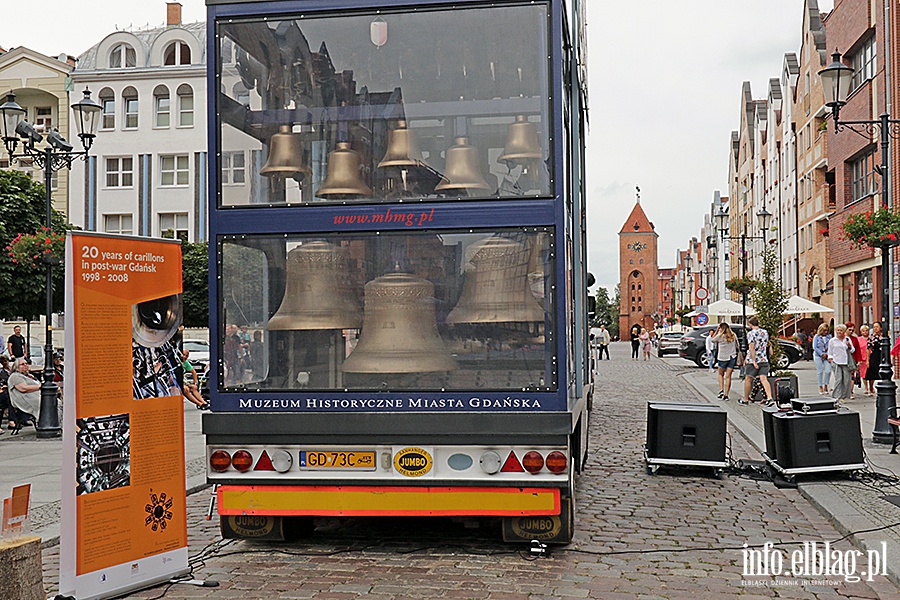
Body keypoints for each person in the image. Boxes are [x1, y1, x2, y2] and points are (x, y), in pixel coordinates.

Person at [741, 316, 773, 405]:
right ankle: (769, 397)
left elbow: (751, 347)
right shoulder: (765, 332)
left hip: (753, 360)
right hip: (763, 358)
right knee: (764, 378)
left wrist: (753, 360)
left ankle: (746, 399)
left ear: (750, 324)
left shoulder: (751, 334)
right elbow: (767, 344)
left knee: (748, 379)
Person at [7, 358, 40, 434]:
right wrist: (40, 387)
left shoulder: (29, 375)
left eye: (26, 364)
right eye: (22, 364)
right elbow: (23, 388)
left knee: (55, 402)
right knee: (46, 404)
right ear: (16, 367)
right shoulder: (15, 376)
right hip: (23, 399)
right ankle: (46, 423)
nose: (25, 365)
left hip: (33, 396)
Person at [710, 323, 738, 401]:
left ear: (721, 328)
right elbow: (737, 345)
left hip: (722, 358)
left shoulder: (720, 336)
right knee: (728, 377)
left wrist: (716, 330)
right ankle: (726, 394)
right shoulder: (733, 336)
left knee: (720, 374)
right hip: (732, 357)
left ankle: (721, 390)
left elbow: (712, 340)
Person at [828, 324, 855, 403]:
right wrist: (830, 358)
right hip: (836, 361)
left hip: (846, 362)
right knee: (838, 379)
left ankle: (844, 396)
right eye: (838, 330)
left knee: (846, 380)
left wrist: (849, 346)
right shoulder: (832, 340)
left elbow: (853, 350)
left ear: (843, 331)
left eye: (840, 330)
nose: (839, 332)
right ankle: (836, 396)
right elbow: (830, 351)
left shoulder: (847, 339)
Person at [813, 323, 832, 395]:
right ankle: (820, 386)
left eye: (826, 331)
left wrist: (827, 354)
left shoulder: (829, 337)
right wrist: (821, 354)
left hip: (827, 355)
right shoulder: (817, 337)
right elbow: (815, 347)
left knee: (828, 371)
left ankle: (826, 385)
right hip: (818, 355)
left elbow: (831, 346)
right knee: (820, 371)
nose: (825, 332)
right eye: (824, 331)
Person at [865, 322, 884, 395]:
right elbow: (868, 348)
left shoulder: (884, 337)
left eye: (877, 327)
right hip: (874, 355)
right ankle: (871, 388)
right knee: (871, 371)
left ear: (881, 328)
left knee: (882, 371)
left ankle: (882, 386)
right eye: (874, 327)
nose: (875, 328)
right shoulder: (872, 337)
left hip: (882, 355)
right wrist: (867, 360)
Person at [856, 325, 870, 394]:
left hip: (870, 358)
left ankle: (871, 386)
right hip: (862, 358)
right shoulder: (858, 339)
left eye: (866, 330)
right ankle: (866, 386)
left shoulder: (871, 339)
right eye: (863, 331)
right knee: (864, 374)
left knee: (870, 373)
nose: (865, 332)